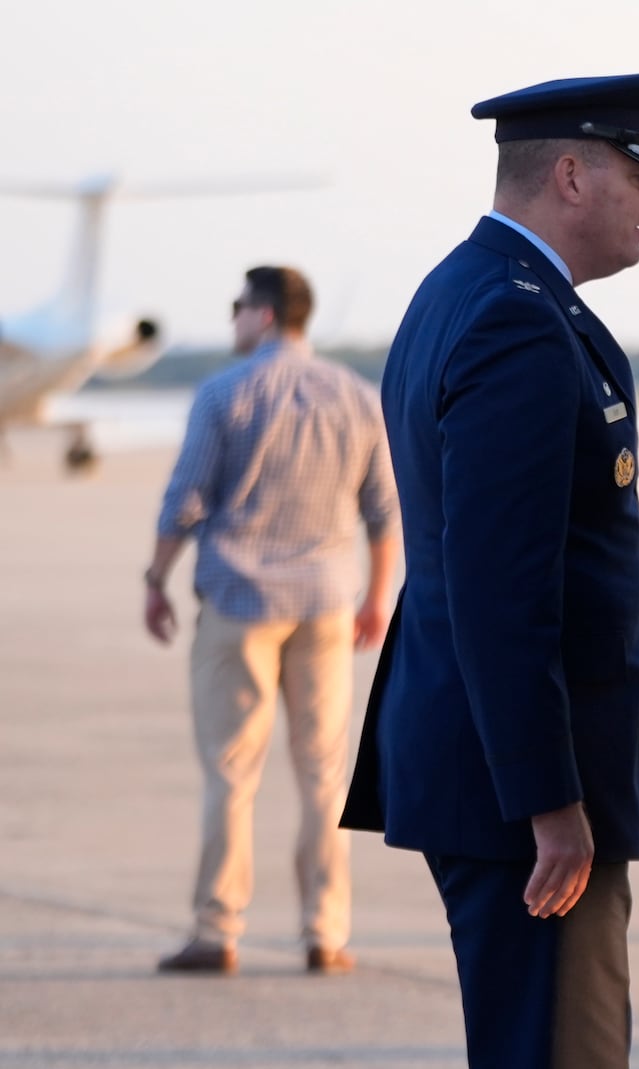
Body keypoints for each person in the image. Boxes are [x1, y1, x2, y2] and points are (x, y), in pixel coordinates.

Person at [339, 70, 639, 1069]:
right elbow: (501, 582)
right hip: (523, 792)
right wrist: (550, 798)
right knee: (558, 1049)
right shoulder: (516, 320)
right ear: (570, 175)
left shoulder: (469, 291)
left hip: (496, 765)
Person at [144, 265, 398, 976]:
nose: (232, 322)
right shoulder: (356, 395)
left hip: (239, 601)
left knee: (231, 771)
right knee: (323, 773)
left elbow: (184, 500)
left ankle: (217, 927)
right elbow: (383, 508)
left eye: (236, 309)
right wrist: (378, 594)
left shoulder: (224, 392)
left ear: (261, 314)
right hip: (324, 600)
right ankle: (327, 931)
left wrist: (155, 579)